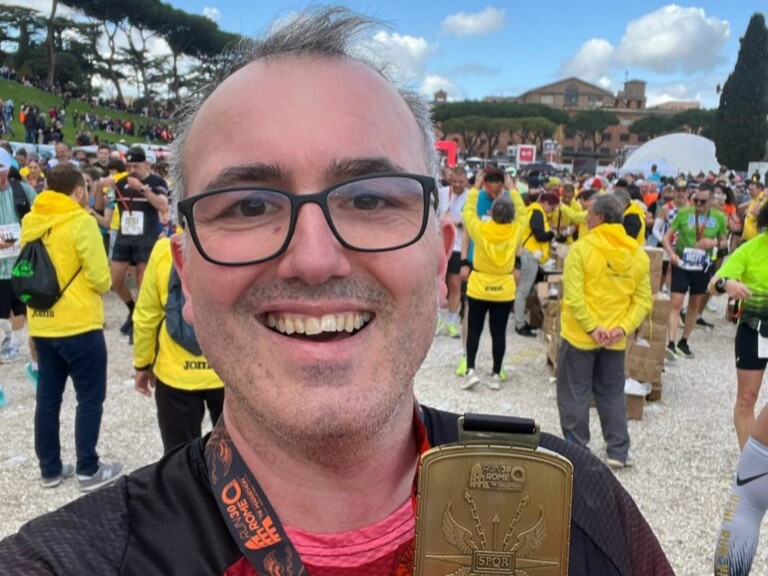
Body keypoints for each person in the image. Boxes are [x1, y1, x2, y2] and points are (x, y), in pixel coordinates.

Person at [0, 8, 673, 575]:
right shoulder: (67, 562)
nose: (314, 259)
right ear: (186, 273)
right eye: (249, 205)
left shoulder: (577, 507)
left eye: (371, 199)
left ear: (440, 257)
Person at [20, 164, 124, 491]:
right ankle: (88, 469)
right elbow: (101, 278)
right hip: (79, 323)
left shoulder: (31, 221)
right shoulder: (81, 222)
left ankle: (49, 469)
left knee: (48, 398)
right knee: (89, 397)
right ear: (79, 191)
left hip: (42, 323)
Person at [557, 194, 652, 469]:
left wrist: (592, 327)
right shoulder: (637, 254)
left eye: (589, 214)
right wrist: (622, 328)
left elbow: (574, 297)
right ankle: (618, 451)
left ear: (599, 217)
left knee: (574, 393)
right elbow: (643, 300)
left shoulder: (581, 249)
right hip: (614, 340)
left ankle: (577, 451)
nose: (586, 218)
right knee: (611, 393)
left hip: (580, 336)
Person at [133, 236, 225, 453]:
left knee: (179, 457)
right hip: (226, 373)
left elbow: (146, 315)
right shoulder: (231, 244)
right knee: (238, 458)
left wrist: (142, 364)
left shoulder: (164, 250)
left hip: (174, 374)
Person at [707, 201, 768, 450]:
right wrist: (727, 284)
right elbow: (713, 283)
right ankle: (749, 461)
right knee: (746, 398)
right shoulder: (750, 249)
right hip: (755, 330)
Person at [460, 187, 522, 390]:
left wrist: (475, 189)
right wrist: (513, 189)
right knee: (499, 332)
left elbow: (468, 212)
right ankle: (496, 374)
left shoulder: (481, 229)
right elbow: (523, 213)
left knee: (474, 329)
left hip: (479, 286)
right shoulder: (516, 230)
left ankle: (470, 370)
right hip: (503, 288)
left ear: (492, 213)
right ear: (511, 215)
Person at [109, 146, 169, 340]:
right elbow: (103, 204)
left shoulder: (157, 181)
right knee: (115, 280)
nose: (132, 170)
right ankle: (132, 308)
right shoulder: (121, 182)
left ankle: (140, 322)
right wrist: (100, 188)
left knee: (142, 282)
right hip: (125, 236)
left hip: (146, 236)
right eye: (129, 166)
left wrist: (142, 189)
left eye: (136, 165)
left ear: (145, 164)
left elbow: (163, 205)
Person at [662, 182, 727, 359]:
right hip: (682, 262)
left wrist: (712, 243)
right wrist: (671, 254)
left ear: (711, 200)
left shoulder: (719, 217)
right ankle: (670, 343)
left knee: (694, 304)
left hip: (703, 265)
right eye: (696, 200)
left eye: (702, 201)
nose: (698, 204)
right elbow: (666, 237)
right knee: (676, 302)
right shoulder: (684, 213)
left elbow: (724, 242)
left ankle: (684, 341)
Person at [514, 191, 558, 337]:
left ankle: (526, 320)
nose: (551, 211)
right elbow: (539, 236)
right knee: (523, 290)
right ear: (545, 203)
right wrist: (552, 234)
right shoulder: (537, 212)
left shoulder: (533, 210)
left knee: (529, 287)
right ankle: (520, 325)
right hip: (530, 255)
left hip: (531, 254)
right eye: (552, 207)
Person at [434, 166, 467, 339]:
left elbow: (472, 222)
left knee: (455, 285)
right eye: (454, 181)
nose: (457, 185)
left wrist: (457, 222)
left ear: (465, 180)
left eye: (460, 182)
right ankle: (437, 319)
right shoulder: (441, 192)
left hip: (459, 247)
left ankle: (452, 322)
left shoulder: (470, 196)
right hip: (440, 245)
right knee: (437, 284)